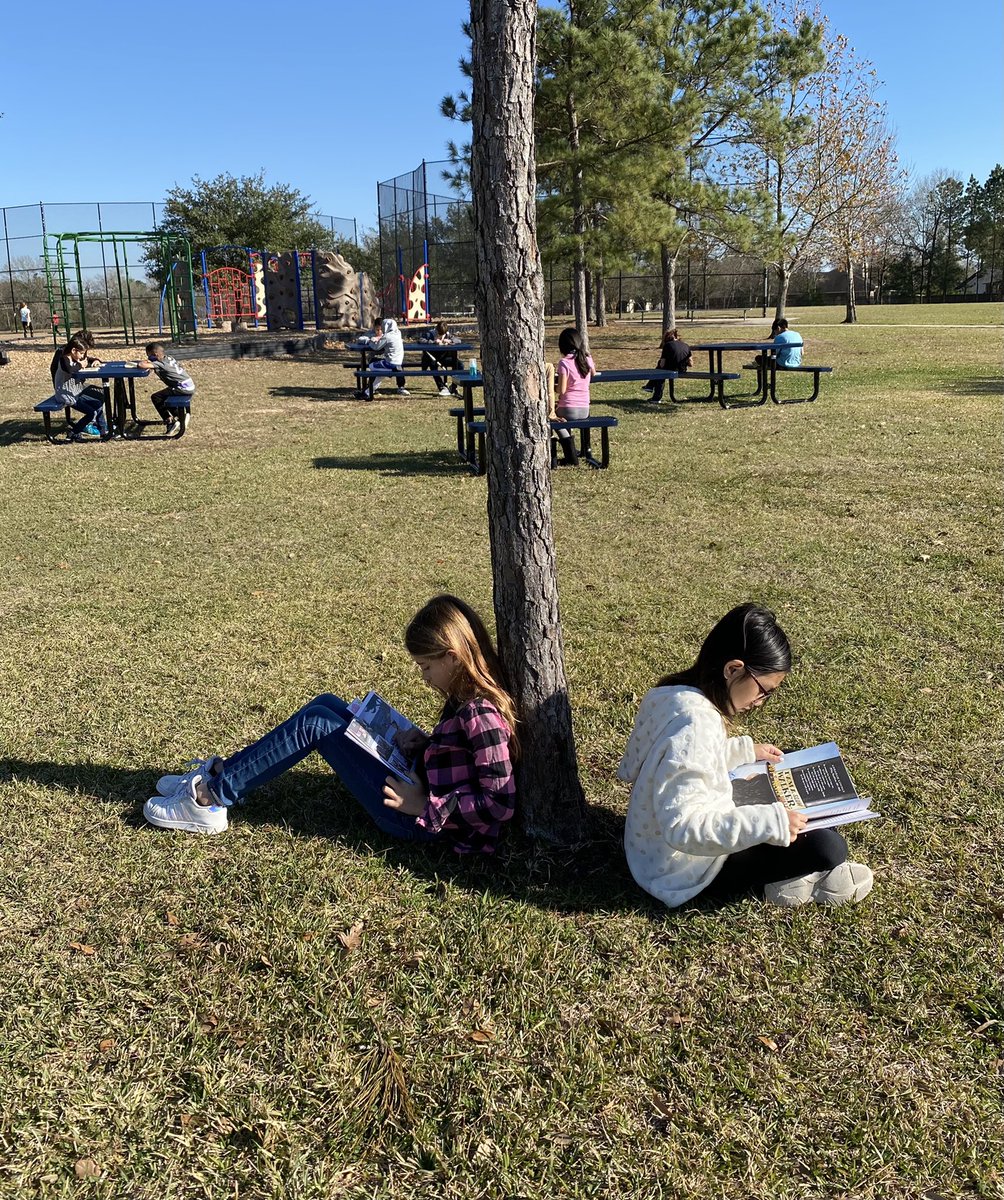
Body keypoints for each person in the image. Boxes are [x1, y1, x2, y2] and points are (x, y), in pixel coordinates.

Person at [143, 595, 519, 854]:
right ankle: (224, 773)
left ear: (452, 658)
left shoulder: (480, 713)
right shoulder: (466, 697)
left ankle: (211, 798)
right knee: (327, 706)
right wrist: (427, 746)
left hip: (416, 820)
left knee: (317, 726)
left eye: (425, 666)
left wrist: (423, 806)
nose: (423, 677)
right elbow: (464, 762)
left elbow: (500, 803)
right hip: (418, 786)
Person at [618, 604, 873, 909]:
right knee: (828, 848)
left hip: (651, 850)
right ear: (733, 669)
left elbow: (677, 759)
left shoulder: (673, 693)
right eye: (764, 690)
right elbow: (683, 828)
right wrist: (769, 822)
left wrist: (743, 752)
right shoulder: (697, 726)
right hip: (683, 869)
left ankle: (796, 850)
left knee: (781, 761)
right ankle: (793, 877)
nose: (761, 702)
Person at [547, 326, 596, 466]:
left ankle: (570, 455)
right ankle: (575, 453)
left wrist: (550, 386)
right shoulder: (587, 358)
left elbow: (561, 391)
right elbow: (592, 373)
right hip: (584, 408)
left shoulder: (564, 363)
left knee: (553, 419)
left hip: (569, 408)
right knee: (561, 418)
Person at [53, 335, 109, 441]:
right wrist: (81, 365)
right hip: (66, 396)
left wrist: (94, 361)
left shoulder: (75, 359)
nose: (82, 356)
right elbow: (70, 369)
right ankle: (74, 432)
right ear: (74, 350)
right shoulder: (64, 359)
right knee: (91, 413)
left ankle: (104, 431)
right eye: (81, 353)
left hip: (76, 392)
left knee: (98, 403)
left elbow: (83, 363)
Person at [138, 342, 196, 435]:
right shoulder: (169, 358)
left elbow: (141, 365)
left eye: (149, 355)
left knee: (156, 397)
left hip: (182, 388)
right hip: (189, 384)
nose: (149, 358)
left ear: (155, 355)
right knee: (165, 396)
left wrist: (144, 362)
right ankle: (177, 416)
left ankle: (172, 420)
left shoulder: (160, 364)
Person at [357, 315, 408, 397]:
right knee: (380, 371)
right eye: (378, 329)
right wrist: (372, 338)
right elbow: (361, 338)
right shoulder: (398, 333)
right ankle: (368, 391)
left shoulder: (387, 336)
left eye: (382, 328)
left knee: (374, 368)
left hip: (389, 362)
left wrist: (373, 341)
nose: (380, 330)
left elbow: (376, 347)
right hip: (391, 361)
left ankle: (368, 391)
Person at [644, 328, 693, 403]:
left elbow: (662, 364)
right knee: (660, 371)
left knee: (660, 371)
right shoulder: (686, 345)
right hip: (682, 370)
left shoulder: (667, 346)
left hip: (670, 369)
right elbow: (691, 364)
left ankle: (654, 394)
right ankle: (650, 386)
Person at [420, 321, 460, 396]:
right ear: (436, 331)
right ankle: (442, 387)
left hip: (444, 357)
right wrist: (433, 342)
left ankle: (453, 387)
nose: (441, 336)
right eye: (439, 334)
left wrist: (450, 341)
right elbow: (421, 340)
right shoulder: (430, 334)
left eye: (443, 335)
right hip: (432, 358)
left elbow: (458, 340)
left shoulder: (448, 335)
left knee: (459, 364)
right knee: (433, 365)